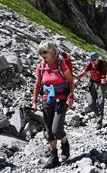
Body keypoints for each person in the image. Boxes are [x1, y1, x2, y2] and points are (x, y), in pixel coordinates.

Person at [32, 41, 74, 169]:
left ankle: (65, 143)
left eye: (44, 52)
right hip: (47, 99)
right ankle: (54, 156)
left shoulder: (61, 64)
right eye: (40, 52)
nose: (42, 55)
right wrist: (34, 102)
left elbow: (71, 81)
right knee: (49, 131)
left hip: (61, 99)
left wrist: (71, 96)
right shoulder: (41, 66)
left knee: (57, 129)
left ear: (52, 52)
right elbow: (38, 85)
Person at [75, 52, 107, 129]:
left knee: (100, 102)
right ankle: (98, 115)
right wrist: (76, 77)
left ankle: (99, 122)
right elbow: (83, 72)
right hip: (92, 84)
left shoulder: (102, 64)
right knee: (90, 103)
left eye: (94, 59)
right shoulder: (90, 64)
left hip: (101, 85)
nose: (92, 61)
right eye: (91, 60)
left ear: (97, 58)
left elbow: (106, 74)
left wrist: (106, 79)